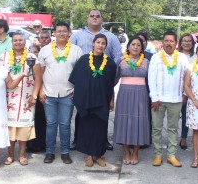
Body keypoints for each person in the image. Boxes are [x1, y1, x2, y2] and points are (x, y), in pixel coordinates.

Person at [70, 9, 122, 151]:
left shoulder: (111, 37)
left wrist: (110, 82)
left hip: (103, 81)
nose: (94, 18)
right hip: (84, 84)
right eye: (92, 16)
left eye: (97, 16)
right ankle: (78, 140)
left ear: (102, 19)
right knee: (82, 114)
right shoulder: (77, 36)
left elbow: (117, 58)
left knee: (101, 116)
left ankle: (102, 141)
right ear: (88, 18)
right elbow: (71, 57)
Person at [34, 22, 83, 164]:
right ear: (54, 33)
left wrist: (76, 90)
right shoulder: (45, 50)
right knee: (50, 124)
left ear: (69, 33)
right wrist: (41, 90)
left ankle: (65, 152)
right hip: (48, 93)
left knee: (65, 124)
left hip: (68, 93)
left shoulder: (76, 50)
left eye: (64, 31)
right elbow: (40, 72)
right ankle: (49, 152)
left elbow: (80, 73)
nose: (62, 33)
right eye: (59, 31)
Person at [69, 34, 117, 167]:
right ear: (93, 43)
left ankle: (100, 155)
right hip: (86, 100)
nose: (100, 45)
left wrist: (111, 99)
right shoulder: (84, 60)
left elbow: (110, 84)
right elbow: (76, 80)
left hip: (102, 100)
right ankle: (89, 155)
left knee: (100, 128)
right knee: (87, 127)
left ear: (105, 46)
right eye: (98, 42)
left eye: (103, 43)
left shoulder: (110, 64)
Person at [148, 30, 189, 167]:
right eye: (166, 41)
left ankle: (171, 155)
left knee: (173, 128)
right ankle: (158, 154)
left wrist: (185, 94)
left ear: (176, 43)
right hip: (158, 99)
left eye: (172, 41)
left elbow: (187, 78)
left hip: (176, 99)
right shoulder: (156, 57)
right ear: (162, 42)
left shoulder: (182, 58)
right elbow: (151, 79)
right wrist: (154, 97)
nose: (169, 43)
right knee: (157, 128)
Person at [0, 33, 37, 165]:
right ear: (11, 42)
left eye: (21, 40)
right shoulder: (4, 58)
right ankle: (10, 155)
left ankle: (22, 155)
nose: (18, 42)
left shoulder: (32, 57)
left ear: (25, 42)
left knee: (24, 128)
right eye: (15, 40)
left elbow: (38, 78)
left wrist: (35, 95)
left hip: (27, 97)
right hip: (8, 98)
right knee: (11, 127)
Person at [114, 36, 150, 165]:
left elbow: (150, 81)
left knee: (138, 122)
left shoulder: (146, 62)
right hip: (124, 94)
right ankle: (126, 152)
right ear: (128, 46)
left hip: (141, 94)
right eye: (133, 44)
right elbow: (113, 80)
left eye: (138, 45)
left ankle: (135, 152)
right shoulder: (121, 61)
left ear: (142, 48)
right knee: (124, 121)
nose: (135, 47)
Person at [177, 33, 195, 150]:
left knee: (186, 115)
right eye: (184, 41)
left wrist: (187, 93)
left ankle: (183, 137)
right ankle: (172, 138)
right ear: (180, 43)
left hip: (190, 91)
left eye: (189, 41)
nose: (187, 43)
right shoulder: (175, 56)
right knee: (173, 116)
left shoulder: (196, 57)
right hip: (175, 90)